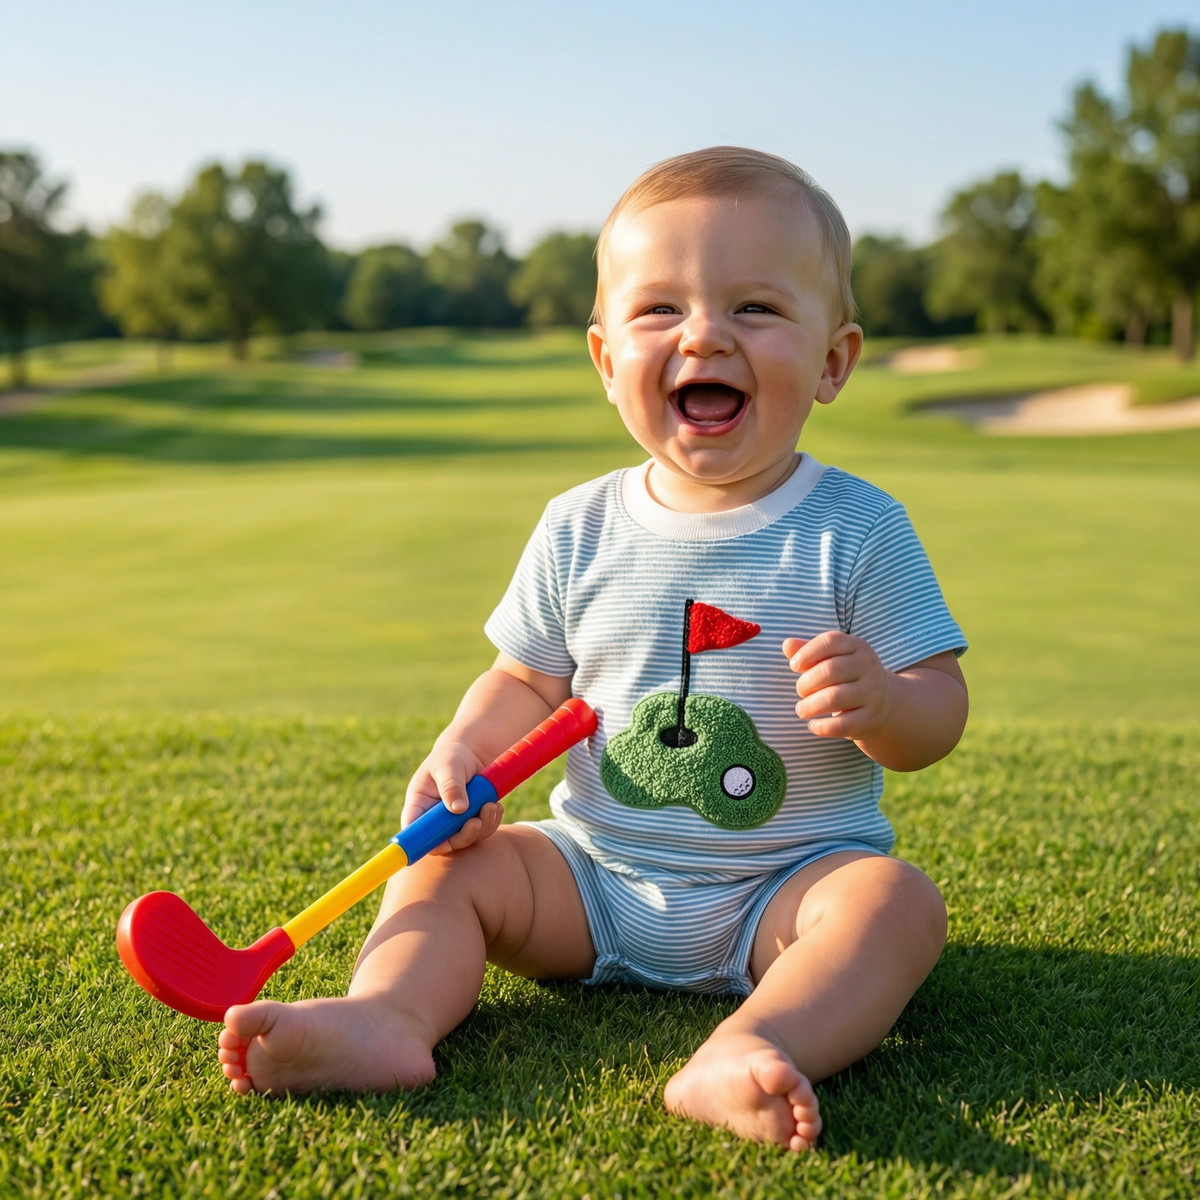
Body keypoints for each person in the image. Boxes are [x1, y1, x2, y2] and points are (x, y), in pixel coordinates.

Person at [218, 146, 968, 1152]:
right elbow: (525, 677)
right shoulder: (579, 526)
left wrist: (885, 704)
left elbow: (938, 704)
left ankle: (746, 1047)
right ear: (608, 359)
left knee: (898, 903)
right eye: (660, 310)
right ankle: (387, 1016)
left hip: (786, 893)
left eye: (755, 308)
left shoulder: (857, 528)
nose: (704, 333)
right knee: (443, 872)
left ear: (833, 360)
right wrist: (465, 748)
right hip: (588, 879)